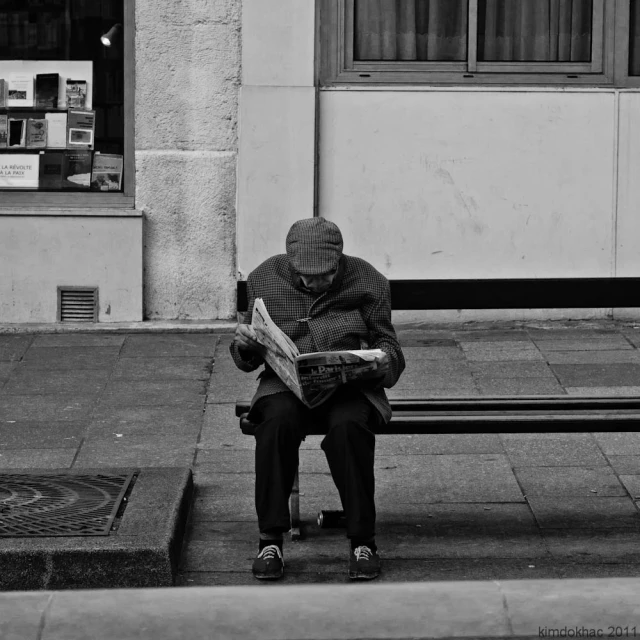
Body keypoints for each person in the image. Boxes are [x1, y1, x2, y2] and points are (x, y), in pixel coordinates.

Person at [229, 217, 405, 581]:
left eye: (325, 274)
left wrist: (382, 362)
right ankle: (269, 541)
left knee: (349, 429)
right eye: (306, 275)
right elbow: (248, 356)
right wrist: (244, 345)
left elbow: (389, 345)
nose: (315, 282)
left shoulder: (368, 281)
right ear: (291, 262)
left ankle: (363, 542)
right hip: (285, 384)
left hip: (348, 388)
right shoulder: (264, 278)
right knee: (275, 425)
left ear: (339, 259)